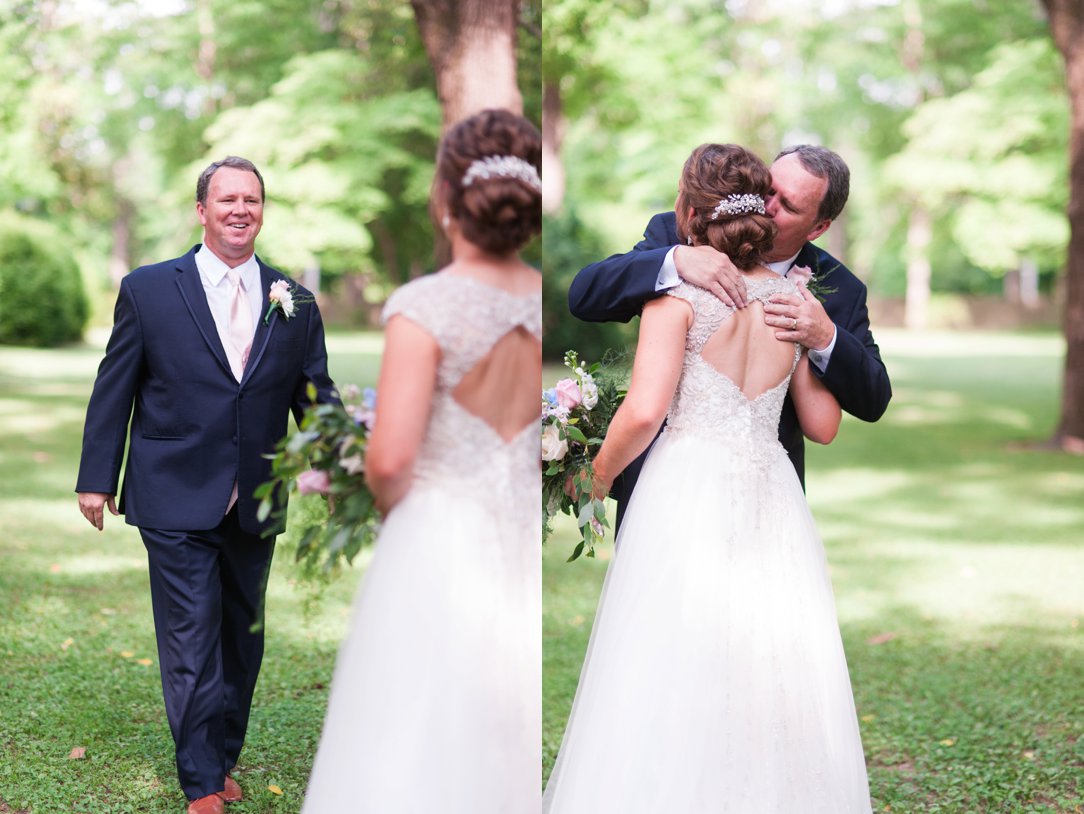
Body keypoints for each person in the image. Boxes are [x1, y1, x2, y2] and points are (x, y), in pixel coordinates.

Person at [542, 144, 872, 812]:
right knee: (769, 658)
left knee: (667, 652)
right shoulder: (792, 301)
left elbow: (643, 409)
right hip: (770, 496)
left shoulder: (679, 299)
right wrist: (809, 336)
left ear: (689, 210)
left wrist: (597, 477)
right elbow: (824, 425)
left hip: (684, 489)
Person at [75, 156, 336, 814]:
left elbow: (316, 390)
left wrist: (336, 462)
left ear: (262, 209)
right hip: (172, 491)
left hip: (258, 495)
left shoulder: (294, 299)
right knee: (191, 636)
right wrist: (95, 479)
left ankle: (221, 758)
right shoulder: (148, 289)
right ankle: (202, 786)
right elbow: (116, 389)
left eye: (251, 198)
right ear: (202, 211)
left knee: (242, 638)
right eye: (226, 199)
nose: (239, 209)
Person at [300, 108, 543, 813]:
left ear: (444, 199)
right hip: (518, 534)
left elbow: (391, 457)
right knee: (504, 722)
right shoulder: (538, 299)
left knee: (412, 727)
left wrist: (383, 502)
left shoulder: (425, 305)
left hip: (438, 538)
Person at [569, 144, 891, 529]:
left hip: (764, 490)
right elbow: (585, 296)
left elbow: (872, 400)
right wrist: (675, 260)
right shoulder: (676, 235)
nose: (766, 207)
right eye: (767, 190)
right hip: (663, 477)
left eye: (787, 206)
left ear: (818, 228)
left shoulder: (839, 288)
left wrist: (825, 336)